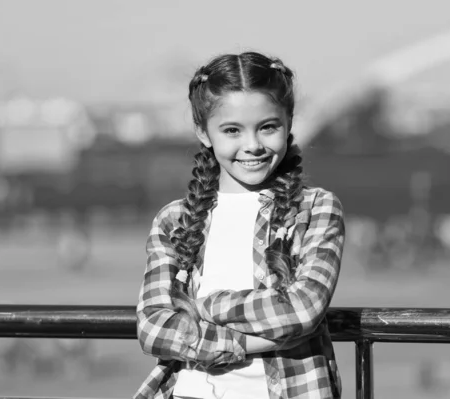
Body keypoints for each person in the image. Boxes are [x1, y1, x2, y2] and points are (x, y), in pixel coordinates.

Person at [134, 51, 345, 399]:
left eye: (268, 127)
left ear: (289, 123)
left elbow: (302, 310)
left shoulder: (316, 208)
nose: (252, 146)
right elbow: (153, 328)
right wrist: (243, 340)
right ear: (203, 132)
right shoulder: (174, 219)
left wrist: (205, 306)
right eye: (232, 130)